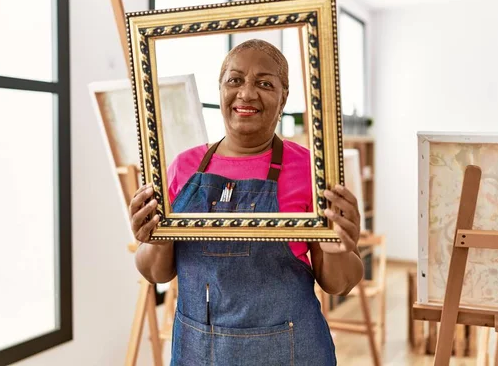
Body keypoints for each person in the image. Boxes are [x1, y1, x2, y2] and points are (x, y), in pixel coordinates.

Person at [129, 39, 364, 365]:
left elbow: (340, 284)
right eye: (235, 80)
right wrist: (151, 241)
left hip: (291, 351)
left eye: (265, 83)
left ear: (284, 98)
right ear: (220, 90)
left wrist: (342, 249)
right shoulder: (183, 167)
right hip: (198, 351)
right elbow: (156, 272)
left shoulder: (313, 172)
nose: (247, 93)